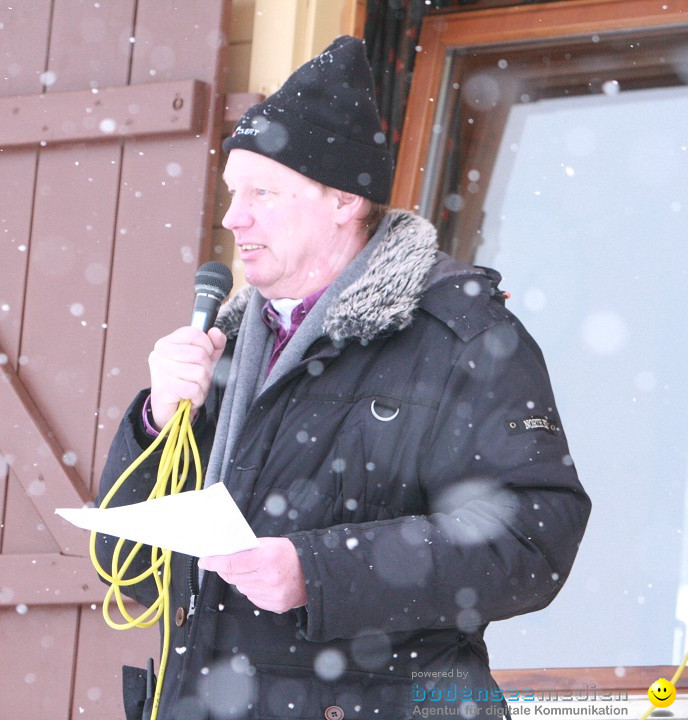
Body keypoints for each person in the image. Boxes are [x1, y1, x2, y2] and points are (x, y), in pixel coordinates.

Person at [95, 35, 591, 720]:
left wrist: (316, 571)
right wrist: (156, 419)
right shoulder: (227, 347)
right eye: (233, 193)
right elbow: (125, 565)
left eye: (262, 192)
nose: (233, 218)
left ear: (342, 202)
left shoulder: (460, 335)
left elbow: (533, 536)